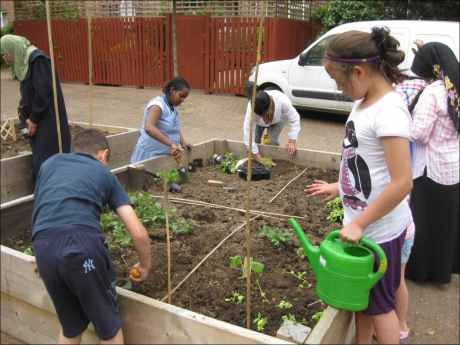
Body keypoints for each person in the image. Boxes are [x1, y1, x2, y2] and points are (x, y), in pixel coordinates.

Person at [304, 27, 413, 344]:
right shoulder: (365, 101)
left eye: (340, 81)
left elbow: (402, 182)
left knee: (380, 308)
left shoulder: (389, 111)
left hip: (379, 232)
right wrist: (339, 188)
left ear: (360, 71)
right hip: (362, 225)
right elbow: (366, 163)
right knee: (363, 303)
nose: (339, 89)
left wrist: (362, 222)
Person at [31, 129, 151, 344]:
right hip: (82, 244)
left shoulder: (49, 164)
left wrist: (43, 254)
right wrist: (144, 265)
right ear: (104, 154)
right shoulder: (103, 172)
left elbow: (42, 207)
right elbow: (139, 233)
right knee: (109, 326)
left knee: (70, 326)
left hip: (43, 246)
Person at [404, 42, 459, 284]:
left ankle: (422, 272)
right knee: (445, 222)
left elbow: (419, 133)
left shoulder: (432, 93)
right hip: (452, 166)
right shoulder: (454, 87)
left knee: (424, 222)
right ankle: (443, 270)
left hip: (430, 169)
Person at [0, 34, 71, 178]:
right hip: (39, 121)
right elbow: (28, 94)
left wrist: (33, 118)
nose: (6, 59)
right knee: (42, 160)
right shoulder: (25, 64)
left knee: (49, 160)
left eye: (6, 53)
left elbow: (43, 93)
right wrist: (23, 114)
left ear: (15, 49)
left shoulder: (38, 61)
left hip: (49, 122)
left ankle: (52, 192)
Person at [131, 76, 196, 163]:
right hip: (150, 157)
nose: (182, 100)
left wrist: (183, 143)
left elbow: (174, 128)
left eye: (184, 98)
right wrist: (171, 144)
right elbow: (149, 128)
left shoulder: (173, 106)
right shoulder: (157, 105)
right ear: (172, 90)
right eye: (181, 96)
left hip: (164, 156)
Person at [243, 89, 301, 166]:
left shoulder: (283, 102)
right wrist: (260, 159)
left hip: (278, 119)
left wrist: (291, 142)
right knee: (255, 142)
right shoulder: (253, 107)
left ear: (270, 104)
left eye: (263, 114)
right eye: (258, 115)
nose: (261, 117)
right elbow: (248, 135)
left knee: (271, 141)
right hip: (258, 123)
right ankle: (256, 160)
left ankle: (275, 162)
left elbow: (294, 119)